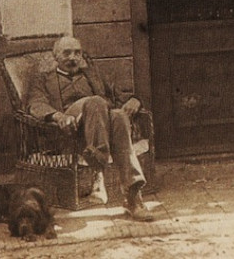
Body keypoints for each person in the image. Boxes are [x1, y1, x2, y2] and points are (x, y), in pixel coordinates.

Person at [27, 35, 154, 221]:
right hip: (70, 132)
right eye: (67, 53)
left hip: (98, 133)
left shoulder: (92, 75)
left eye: (77, 53)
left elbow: (119, 95)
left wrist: (135, 100)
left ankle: (131, 197)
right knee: (96, 102)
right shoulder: (44, 79)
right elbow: (35, 104)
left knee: (118, 116)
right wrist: (58, 116)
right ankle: (101, 169)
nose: (73, 57)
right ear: (56, 57)